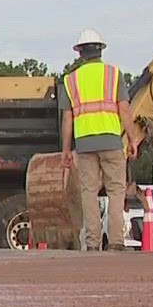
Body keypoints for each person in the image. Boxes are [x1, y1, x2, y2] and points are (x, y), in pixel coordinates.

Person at [61, 29, 133, 251]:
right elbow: (124, 109)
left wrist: (66, 149)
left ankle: (92, 243)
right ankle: (116, 241)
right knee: (116, 191)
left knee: (88, 193)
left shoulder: (70, 80)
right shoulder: (114, 75)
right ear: (100, 50)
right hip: (111, 141)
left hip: (84, 144)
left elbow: (67, 117)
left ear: (80, 53)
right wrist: (132, 139)